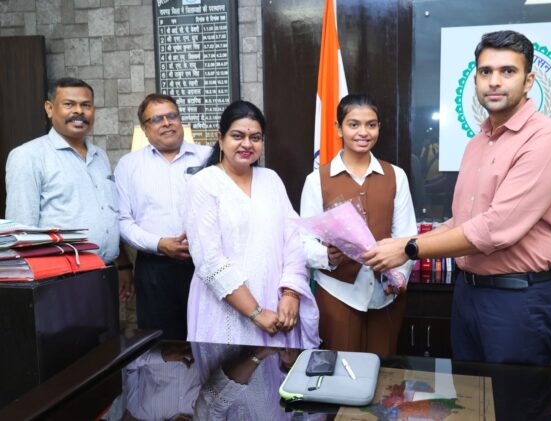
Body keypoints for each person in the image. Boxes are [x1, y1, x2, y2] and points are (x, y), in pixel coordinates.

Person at [364, 30, 551, 366]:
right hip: (468, 294)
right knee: (468, 393)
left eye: (508, 71)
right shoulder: (477, 143)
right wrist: (402, 242)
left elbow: (494, 228)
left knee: (514, 396)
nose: (494, 81)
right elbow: (462, 222)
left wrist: (408, 249)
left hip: (517, 300)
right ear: (475, 79)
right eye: (485, 71)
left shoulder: (548, 140)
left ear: (528, 81)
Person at [182, 100, 320, 347]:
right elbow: (209, 260)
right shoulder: (203, 184)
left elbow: (293, 240)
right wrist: (255, 312)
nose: (247, 144)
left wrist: (291, 293)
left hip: (276, 306)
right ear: (220, 138)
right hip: (225, 309)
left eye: (255, 137)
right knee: (232, 370)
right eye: (238, 136)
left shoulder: (271, 179)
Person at [300, 94, 417, 355]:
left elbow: (407, 236)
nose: (363, 132)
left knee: (384, 368)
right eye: (354, 124)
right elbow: (303, 241)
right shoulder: (316, 180)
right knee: (340, 370)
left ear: (379, 128)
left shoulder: (396, 176)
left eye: (371, 125)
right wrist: (327, 256)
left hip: (387, 293)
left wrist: (399, 276)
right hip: (337, 293)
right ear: (338, 128)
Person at [5, 77, 132, 299]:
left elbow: (107, 215)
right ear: (49, 108)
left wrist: (122, 264)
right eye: (69, 104)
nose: (79, 111)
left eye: (86, 105)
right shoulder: (28, 156)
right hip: (60, 280)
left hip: (104, 273)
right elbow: (21, 230)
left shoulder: (100, 156)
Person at [114, 93, 211, 340]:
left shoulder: (208, 157)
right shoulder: (128, 165)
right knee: (162, 345)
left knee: (209, 338)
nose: (167, 123)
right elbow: (122, 221)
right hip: (154, 270)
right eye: (157, 119)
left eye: (172, 116)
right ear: (145, 129)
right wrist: (159, 244)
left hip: (205, 265)